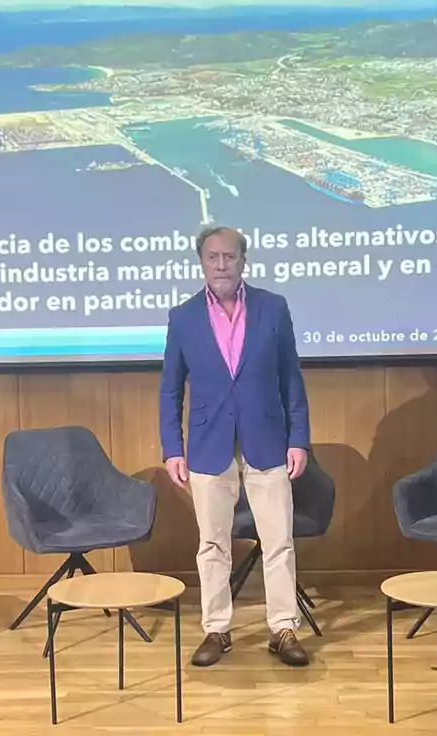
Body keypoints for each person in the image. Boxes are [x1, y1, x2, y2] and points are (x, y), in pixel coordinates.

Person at [158, 225, 311, 668]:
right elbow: (170, 389)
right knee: (213, 543)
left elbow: (291, 380)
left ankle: (283, 628)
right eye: (212, 257)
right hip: (208, 444)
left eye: (229, 256)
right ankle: (216, 630)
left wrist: (298, 437)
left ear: (243, 261)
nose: (221, 264)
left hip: (268, 440)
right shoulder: (182, 317)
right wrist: (173, 447)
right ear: (201, 262)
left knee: (278, 540)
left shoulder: (273, 308)